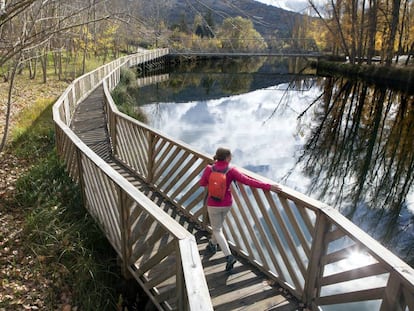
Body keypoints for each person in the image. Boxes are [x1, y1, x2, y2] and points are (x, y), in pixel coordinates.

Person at [199, 147, 281, 272]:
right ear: (227, 158)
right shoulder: (231, 170)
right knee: (218, 228)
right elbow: (248, 181)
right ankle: (212, 244)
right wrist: (269, 186)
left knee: (217, 229)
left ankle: (228, 256)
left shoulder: (209, 168)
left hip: (213, 203)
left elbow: (202, 183)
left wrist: (213, 183)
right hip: (226, 204)